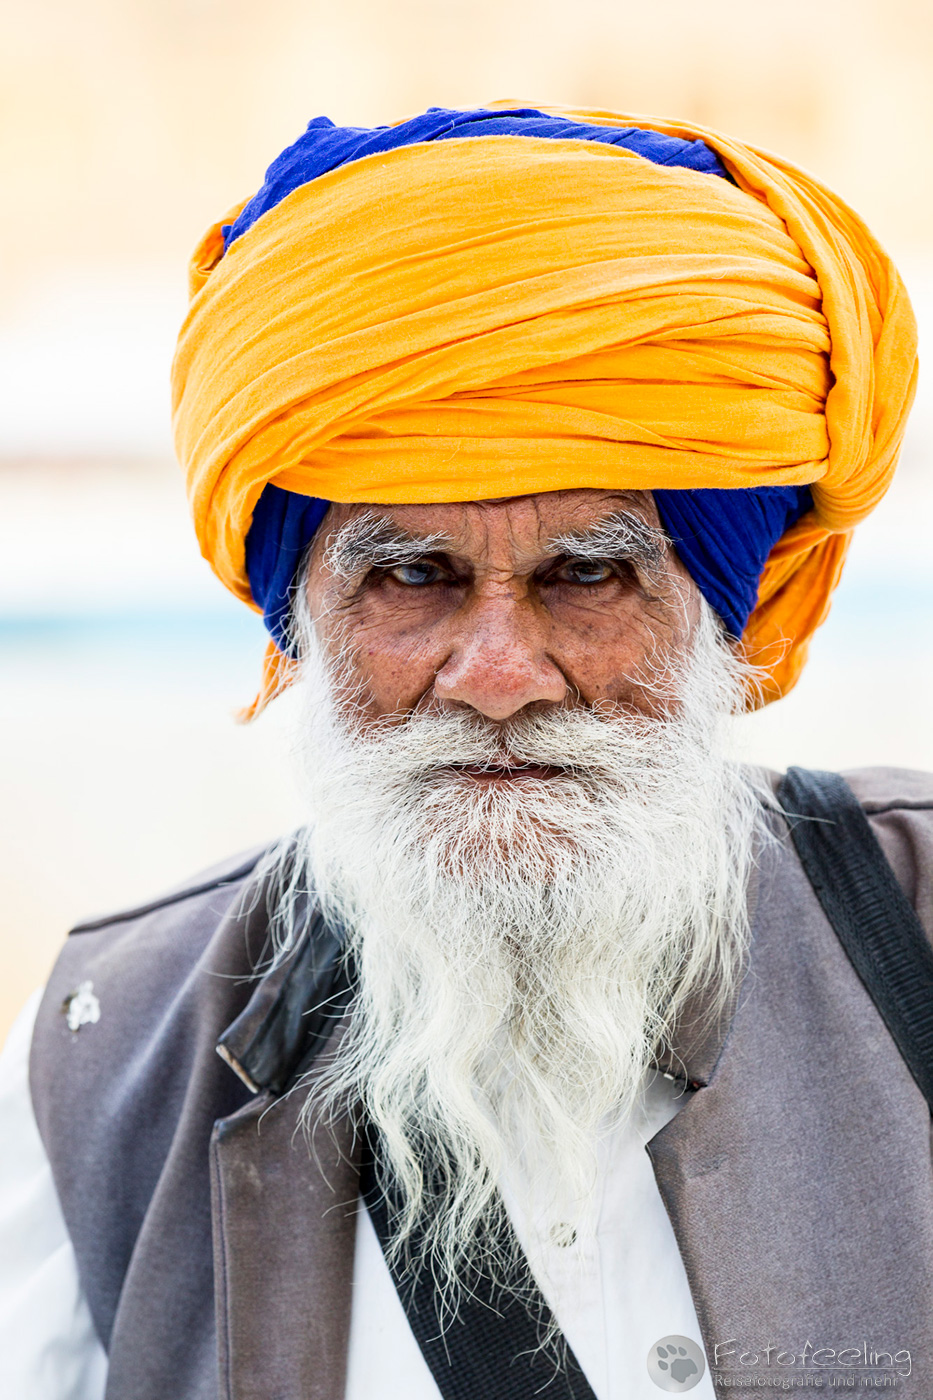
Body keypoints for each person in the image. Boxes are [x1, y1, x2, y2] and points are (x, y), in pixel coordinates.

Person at [0, 103, 930, 1400]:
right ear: (302, 619)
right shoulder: (109, 1055)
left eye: (590, 573)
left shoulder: (914, 923)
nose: (496, 675)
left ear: (725, 616)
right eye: (410, 574)